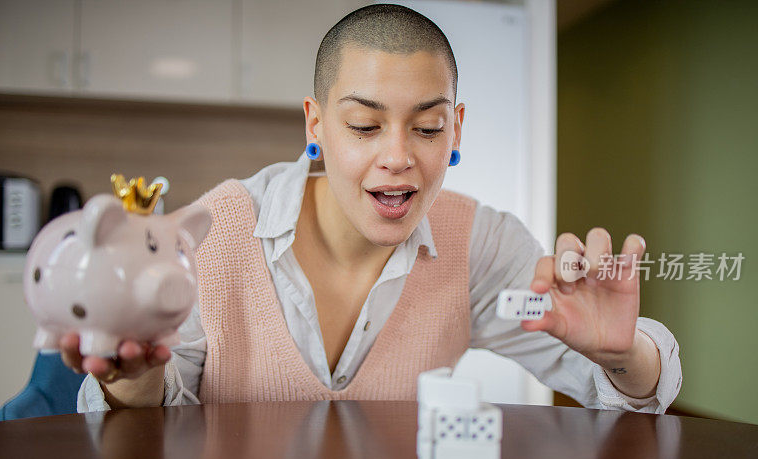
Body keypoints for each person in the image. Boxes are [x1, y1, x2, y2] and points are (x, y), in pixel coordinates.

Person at [62, 4, 681, 412]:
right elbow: (156, 418)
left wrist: (621, 354)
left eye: (428, 128)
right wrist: (133, 376)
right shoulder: (218, 229)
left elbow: (623, 394)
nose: (398, 156)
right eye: (364, 125)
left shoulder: (479, 243)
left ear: (456, 130)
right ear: (317, 124)